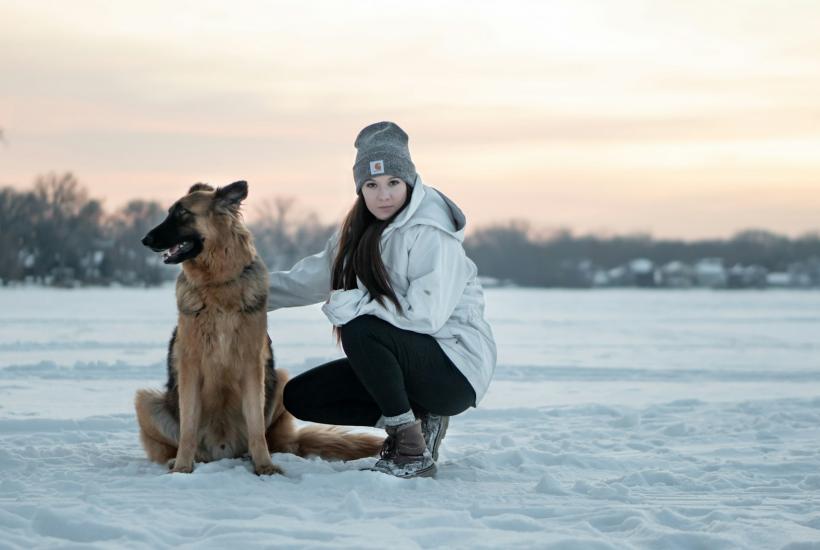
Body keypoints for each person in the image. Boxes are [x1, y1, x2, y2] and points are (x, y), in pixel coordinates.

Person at [267, 121, 496, 478]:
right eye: (371, 185)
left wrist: (355, 305)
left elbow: (426, 316)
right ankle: (419, 420)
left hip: (453, 369)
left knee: (361, 328)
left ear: (409, 182)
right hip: (407, 363)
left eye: (393, 183)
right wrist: (242, 293)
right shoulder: (357, 234)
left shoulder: (432, 232)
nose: (383, 195)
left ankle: (410, 450)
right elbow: (309, 280)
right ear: (361, 189)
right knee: (300, 396)